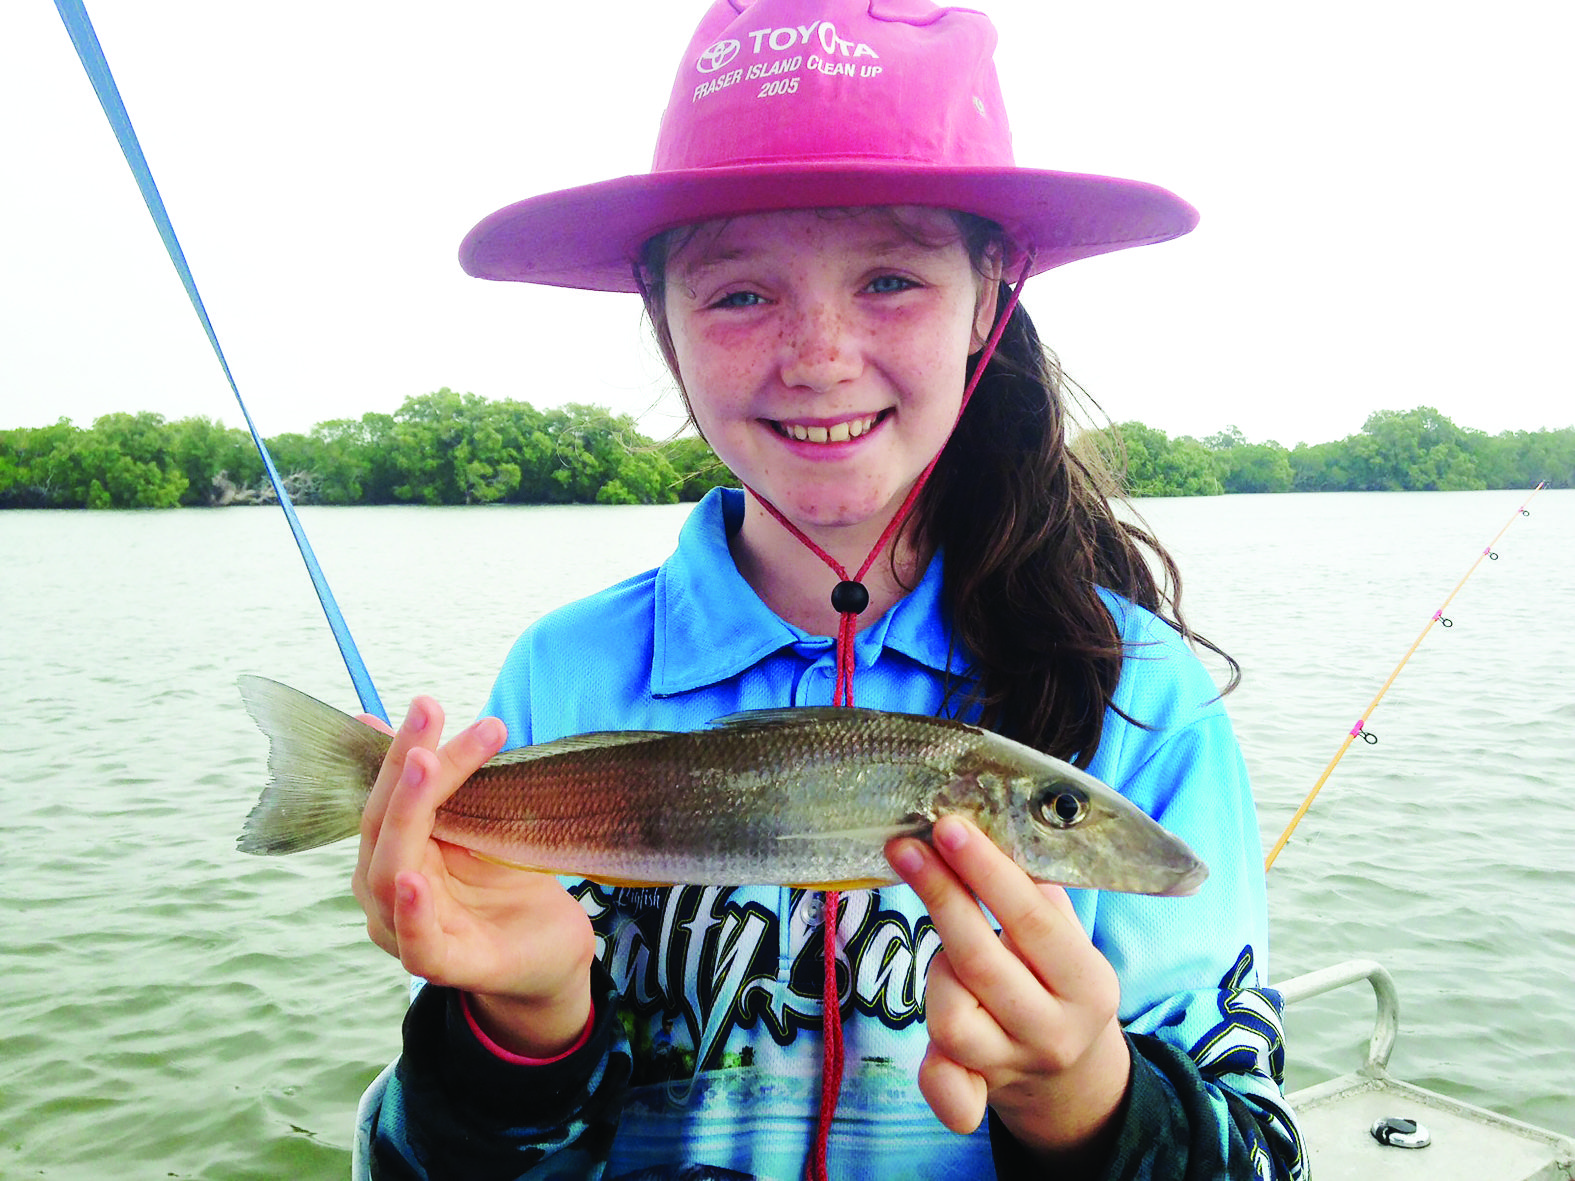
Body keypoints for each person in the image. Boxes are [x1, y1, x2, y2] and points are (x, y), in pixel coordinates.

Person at [351, 1, 1306, 1178]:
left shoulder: (1144, 697)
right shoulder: (561, 672)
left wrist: (1091, 1101)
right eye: (739, 294)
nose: (818, 355)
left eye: (892, 278)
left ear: (989, 292)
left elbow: (1263, 1147)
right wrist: (520, 1027)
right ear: (662, 320)